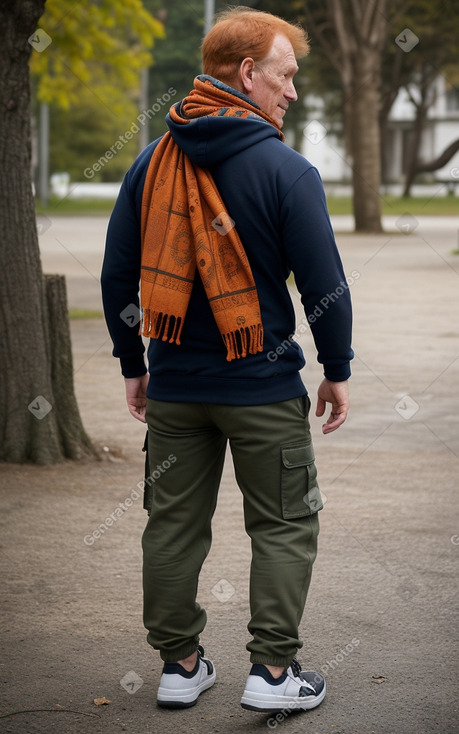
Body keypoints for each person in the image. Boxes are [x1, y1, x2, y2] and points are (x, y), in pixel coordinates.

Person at [101, 5, 353, 714]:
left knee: (172, 525)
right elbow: (324, 289)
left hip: (176, 386)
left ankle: (179, 665)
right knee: (282, 523)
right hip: (263, 387)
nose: (292, 92)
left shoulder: (152, 160)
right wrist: (336, 367)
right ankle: (273, 674)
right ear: (247, 74)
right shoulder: (285, 169)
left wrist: (134, 361)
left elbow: (118, 277)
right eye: (285, 75)